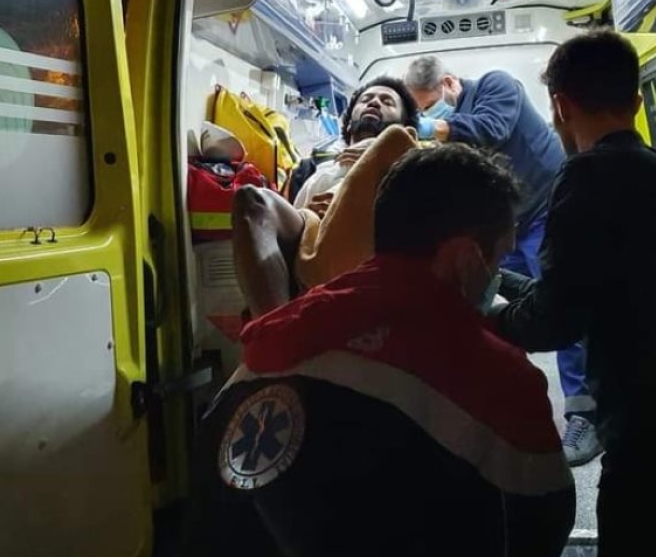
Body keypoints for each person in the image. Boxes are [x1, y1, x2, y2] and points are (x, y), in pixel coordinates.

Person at [179, 144, 576, 557]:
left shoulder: (262, 359)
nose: (496, 274)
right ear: (466, 257)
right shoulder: (500, 381)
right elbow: (542, 524)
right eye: (500, 256)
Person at [491, 29, 656, 556]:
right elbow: (593, 290)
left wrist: (482, 318)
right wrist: (499, 279)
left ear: (560, 106)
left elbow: (556, 319)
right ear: (638, 102)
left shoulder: (585, 177)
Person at [404, 56, 601, 466]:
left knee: (562, 305)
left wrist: (429, 127)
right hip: (505, 221)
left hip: (546, 208)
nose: (430, 117)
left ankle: (586, 414)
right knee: (489, 308)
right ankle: (509, 406)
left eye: (430, 106)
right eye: (421, 112)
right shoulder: (445, 133)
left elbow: (491, 129)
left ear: (449, 84)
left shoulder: (496, 86)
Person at [231, 76, 419, 319]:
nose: (374, 103)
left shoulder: (413, 162)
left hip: (376, 244)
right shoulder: (310, 167)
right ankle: (274, 328)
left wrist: (376, 154)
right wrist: (311, 212)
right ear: (348, 124)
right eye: (366, 99)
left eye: (387, 101)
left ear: (403, 123)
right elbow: (290, 219)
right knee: (251, 200)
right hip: (312, 232)